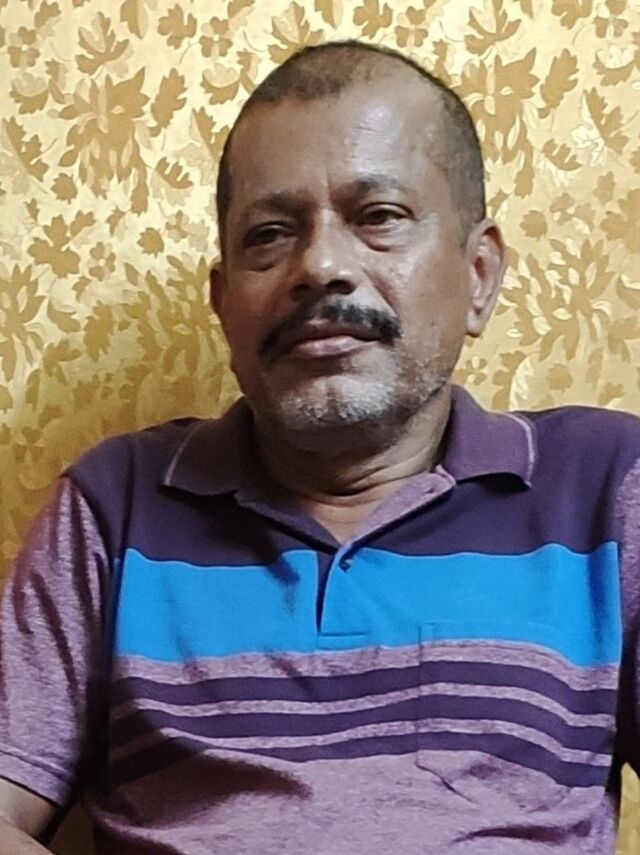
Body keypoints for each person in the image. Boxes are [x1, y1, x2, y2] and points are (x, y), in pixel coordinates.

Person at [0, 39, 639, 855]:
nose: (322, 265)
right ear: (224, 301)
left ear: (479, 274)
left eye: (379, 218)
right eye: (270, 233)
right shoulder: (112, 505)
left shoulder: (606, 486)